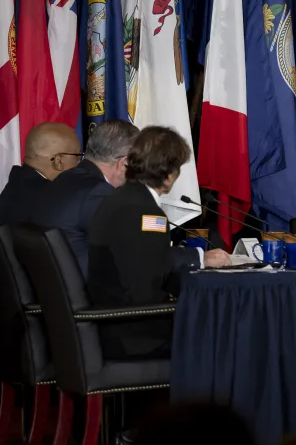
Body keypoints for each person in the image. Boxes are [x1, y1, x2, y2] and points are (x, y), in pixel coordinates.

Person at [87, 126, 228, 360]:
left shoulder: (121, 198)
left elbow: (140, 257)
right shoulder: (145, 212)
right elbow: (145, 287)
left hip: (111, 325)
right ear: (169, 173)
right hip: (135, 335)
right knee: (225, 331)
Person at [35, 119, 139, 275]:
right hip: (91, 295)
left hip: (54, 292)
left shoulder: (65, 179)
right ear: (124, 163)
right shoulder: (98, 192)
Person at [0, 122, 82, 227]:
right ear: (59, 161)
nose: (79, 163)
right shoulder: (53, 200)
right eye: (77, 157)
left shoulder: (17, 184)